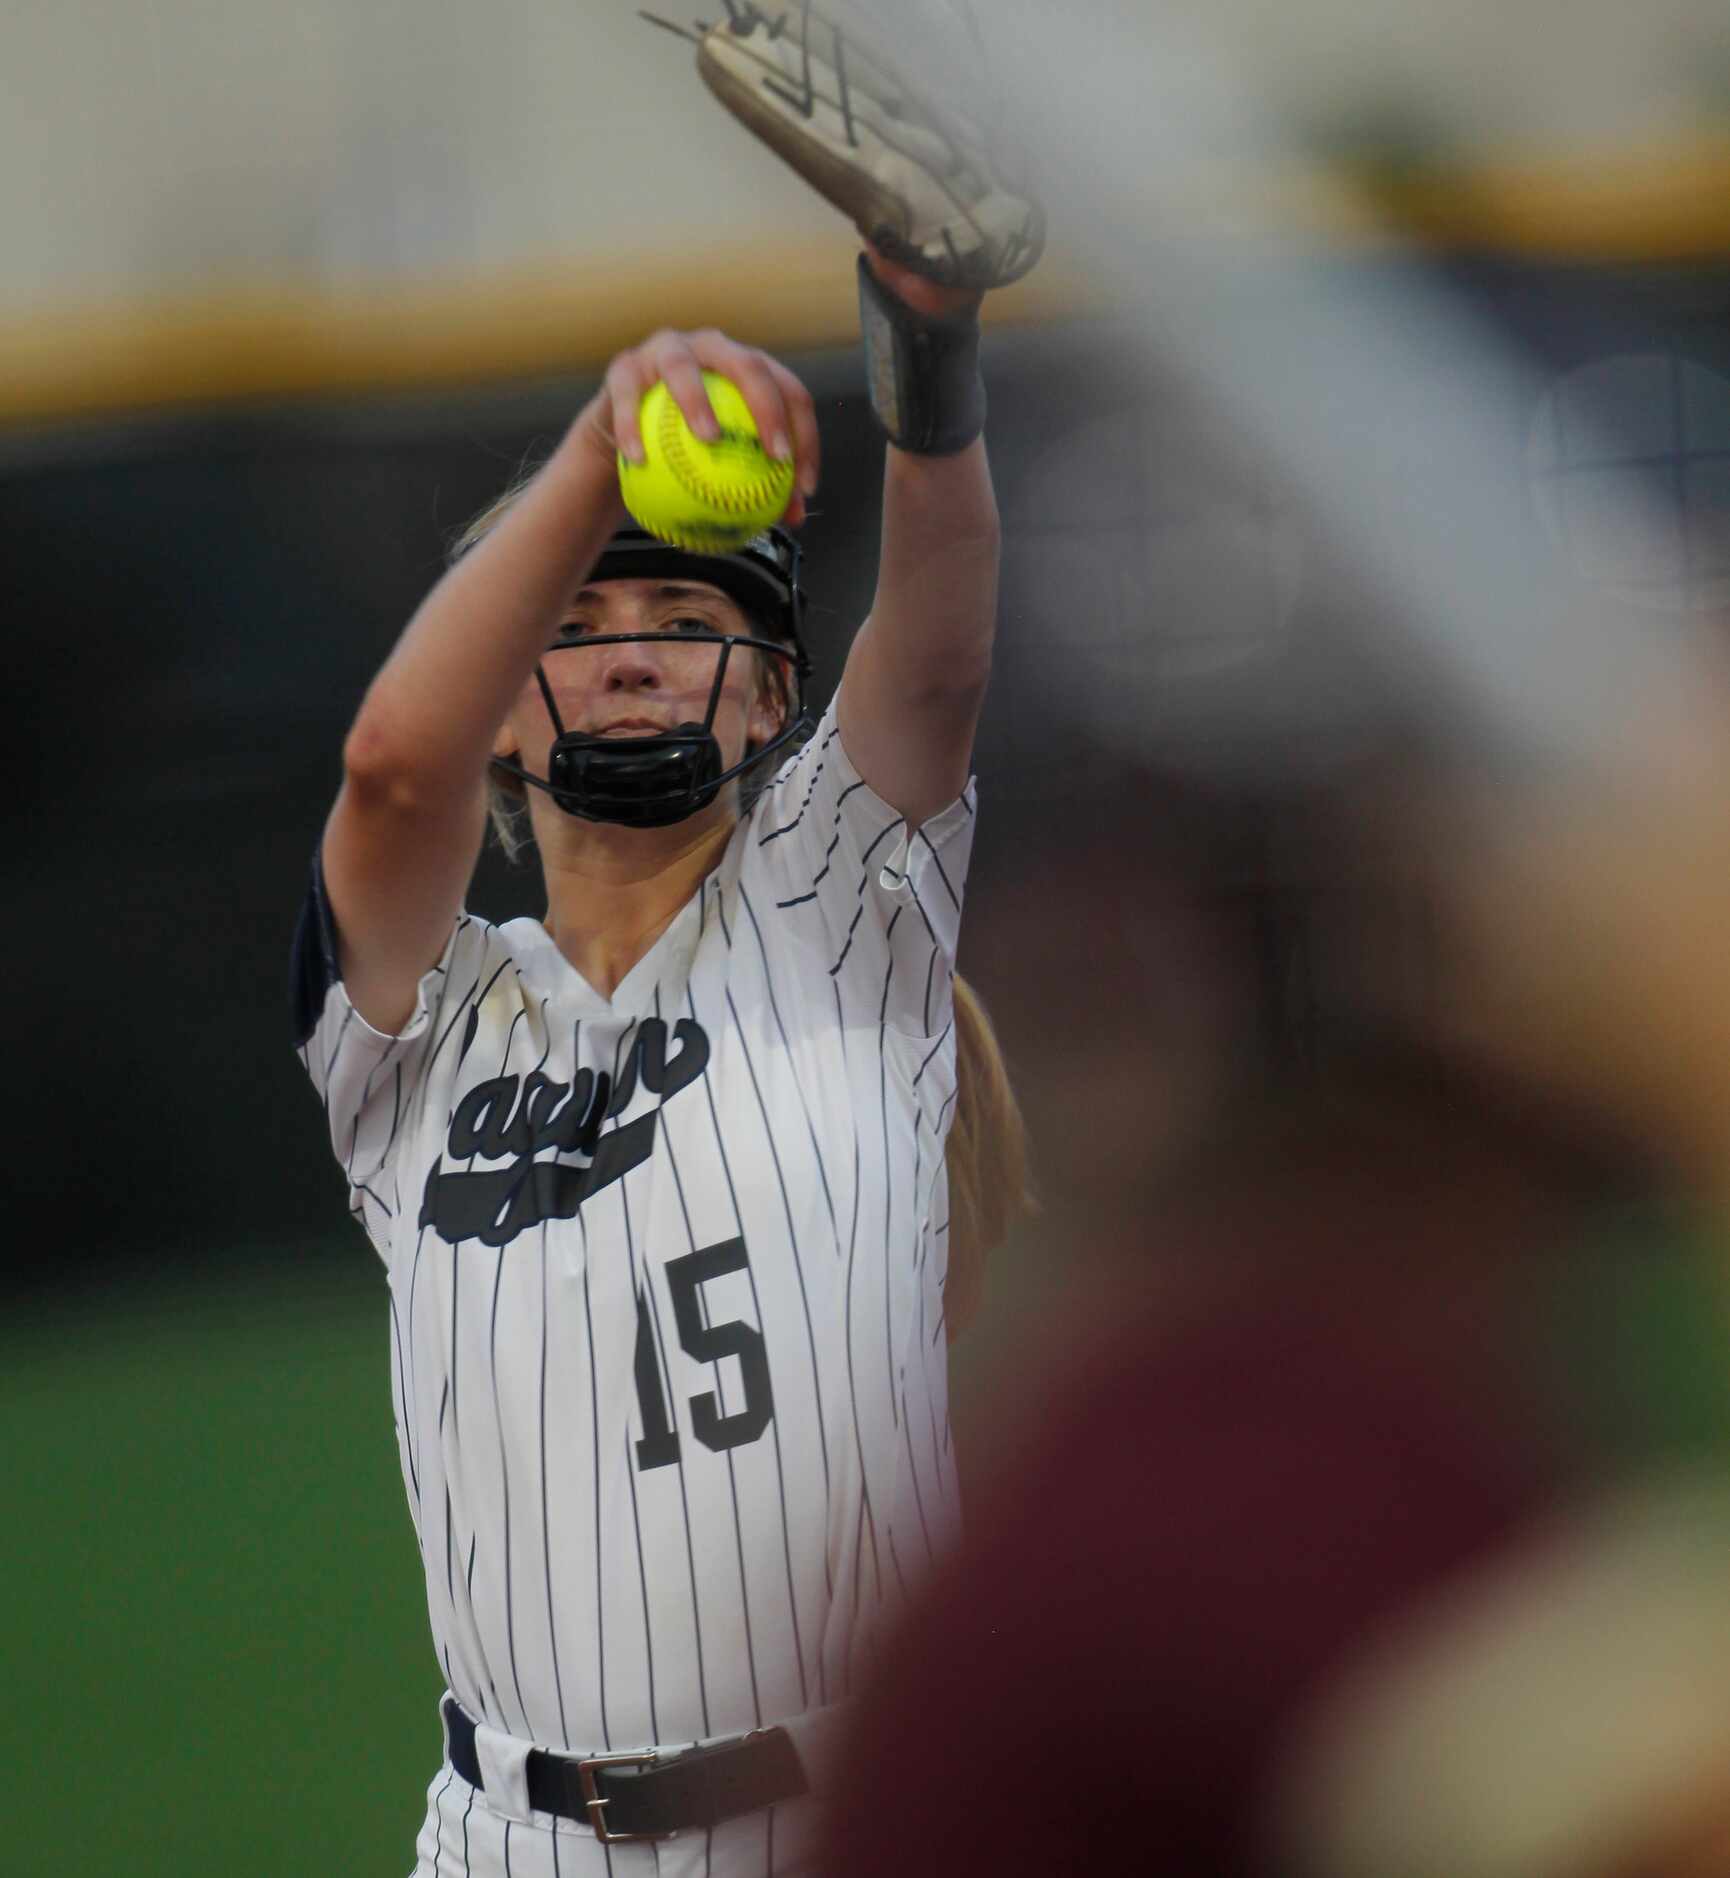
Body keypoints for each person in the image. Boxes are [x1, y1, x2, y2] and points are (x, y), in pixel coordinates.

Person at [291, 242, 1021, 1877]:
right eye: (575, 623)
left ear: (769, 701)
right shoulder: (414, 1038)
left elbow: (943, 652)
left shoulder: (841, 918)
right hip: (507, 1839)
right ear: (505, 709)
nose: (628, 655)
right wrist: (596, 455)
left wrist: (924, 357)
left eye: (685, 620)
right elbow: (391, 771)